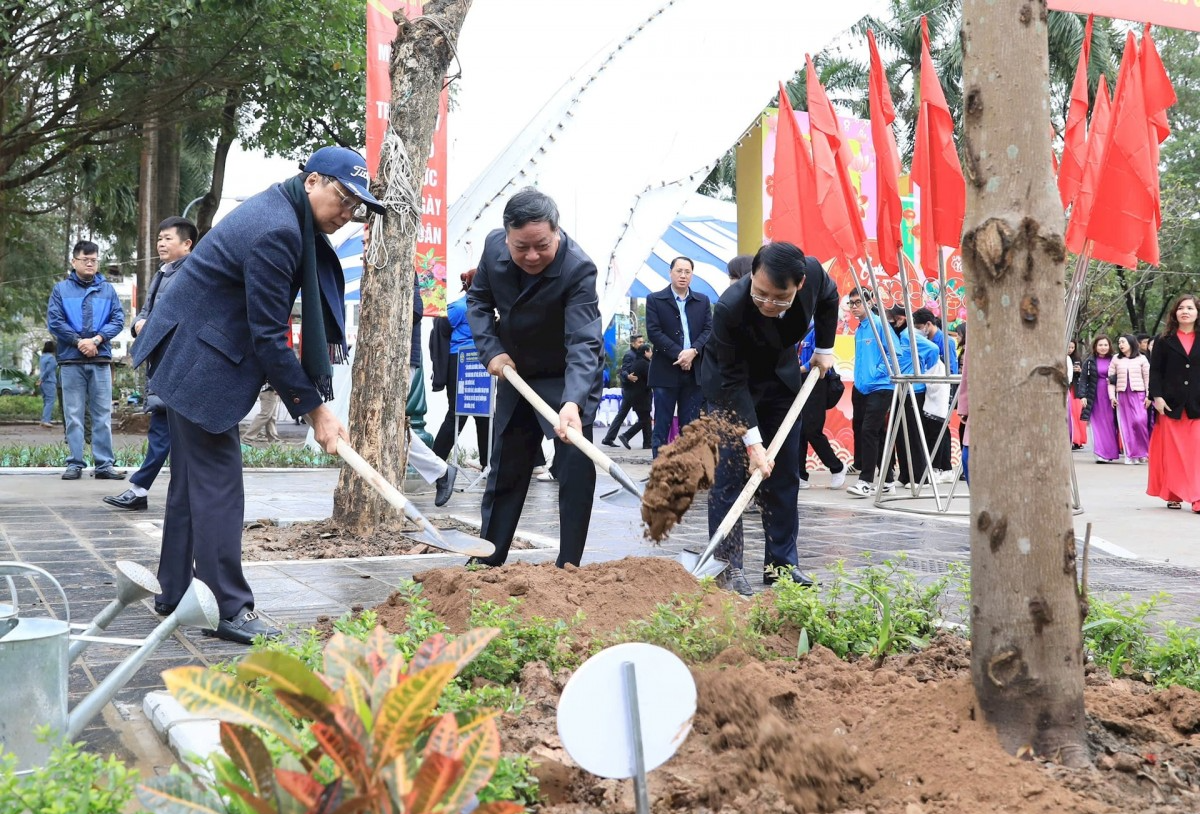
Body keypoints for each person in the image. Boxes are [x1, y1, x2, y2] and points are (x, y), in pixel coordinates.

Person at [131, 145, 377, 644]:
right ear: (311, 181)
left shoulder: (283, 212)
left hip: (191, 348)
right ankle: (228, 609)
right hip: (200, 361)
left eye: (356, 206)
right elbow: (269, 335)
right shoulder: (278, 230)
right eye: (343, 198)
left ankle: (174, 592)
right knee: (219, 484)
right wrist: (315, 410)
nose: (347, 213)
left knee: (190, 484)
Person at [466, 187, 603, 567]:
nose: (531, 256)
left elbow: (583, 342)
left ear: (557, 232)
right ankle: (487, 559)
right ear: (506, 236)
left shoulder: (578, 268)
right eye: (520, 247)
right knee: (506, 466)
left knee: (574, 468)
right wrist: (492, 351)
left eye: (541, 245)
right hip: (517, 372)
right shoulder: (494, 250)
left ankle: (569, 566)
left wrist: (573, 402)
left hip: (566, 376)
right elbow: (477, 302)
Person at [702, 242, 838, 596]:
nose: (768, 303)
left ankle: (782, 565)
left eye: (780, 297)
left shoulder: (814, 275)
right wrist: (752, 442)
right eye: (761, 293)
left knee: (783, 476)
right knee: (730, 479)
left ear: (799, 285)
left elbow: (830, 298)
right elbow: (731, 380)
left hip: (780, 382)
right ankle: (727, 568)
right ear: (752, 277)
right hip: (730, 388)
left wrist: (824, 349)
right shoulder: (729, 307)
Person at [105, 217, 197, 511]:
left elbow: (186, 318)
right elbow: (145, 312)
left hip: (180, 366)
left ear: (187, 244)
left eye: (168, 238)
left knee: (176, 433)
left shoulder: (195, 275)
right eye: (159, 238)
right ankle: (142, 491)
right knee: (163, 430)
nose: (161, 243)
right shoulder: (162, 274)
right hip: (161, 363)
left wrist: (153, 325)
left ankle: (146, 491)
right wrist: (139, 324)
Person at [47, 240, 126, 481]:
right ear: (74, 262)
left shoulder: (108, 290)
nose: (90, 263)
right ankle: (74, 463)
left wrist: (97, 339)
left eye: (94, 259)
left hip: (100, 359)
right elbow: (55, 321)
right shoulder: (61, 290)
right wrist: (79, 342)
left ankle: (103, 465)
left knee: (102, 414)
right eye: (85, 259)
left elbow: (118, 319)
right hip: (71, 361)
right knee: (73, 414)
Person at [645, 256, 712, 457]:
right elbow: (654, 332)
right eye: (679, 271)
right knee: (662, 424)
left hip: (694, 372)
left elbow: (709, 329)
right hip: (665, 372)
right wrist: (680, 354)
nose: (683, 275)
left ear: (692, 274)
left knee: (690, 426)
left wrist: (693, 352)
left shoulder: (702, 301)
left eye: (687, 272)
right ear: (670, 272)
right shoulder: (655, 299)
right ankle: (660, 470)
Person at [432, 268, 490, 468]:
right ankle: (434, 462)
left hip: (480, 365)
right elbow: (440, 331)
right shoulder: (459, 308)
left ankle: (487, 463)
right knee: (457, 413)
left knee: (484, 415)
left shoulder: (485, 307)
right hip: (460, 364)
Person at [1148, 293, 1200, 512]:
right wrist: (1156, 397)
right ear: (1174, 313)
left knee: (1196, 453)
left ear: (1197, 313)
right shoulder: (1163, 340)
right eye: (1180, 308)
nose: (1185, 311)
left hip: (1197, 403)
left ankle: (1197, 496)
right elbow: (1155, 371)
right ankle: (1174, 493)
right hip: (1170, 404)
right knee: (1173, 452)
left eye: (1189, 308)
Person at [845, 290, 896, 497]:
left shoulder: (879, 324)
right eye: (851, 303)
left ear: (870, 302)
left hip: (881, 386)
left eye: (859, 302)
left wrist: (878, 373)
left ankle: (866, 481)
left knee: (868, 431)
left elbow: (895, 352)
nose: (855, 306)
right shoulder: (860, 329)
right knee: (877, 434)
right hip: (862, 388)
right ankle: (888, 481)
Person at [886, 304, 941, 487]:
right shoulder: (898, 337)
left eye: (893, 320)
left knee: (913, 434)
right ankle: (906, 474)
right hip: (900, 389)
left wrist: (923, 373)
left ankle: (920, 476)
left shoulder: (910, 336)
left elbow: (933, 350)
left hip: (914, 391)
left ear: (901, 320)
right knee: (900, 433)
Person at [911, 307, 958, 481]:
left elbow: (950, 369)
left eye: (919, 326)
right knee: (938, 429)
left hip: (943, 390)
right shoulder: (926, 340)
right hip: (930, 389)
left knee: (938, 429)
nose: (917, 330)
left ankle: (938, 467)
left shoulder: (945, 342)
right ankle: (945, 468)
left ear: (928, 324)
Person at [797, 325, 846, 490]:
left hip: (817, 381)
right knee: (799, 431)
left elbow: (819, 361)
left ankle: (837, 467)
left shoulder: (819, 329)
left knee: (812, 430)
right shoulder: (801, 328)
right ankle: (800, 475)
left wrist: (798, 369)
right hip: (800, 382)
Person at [601, 334, 652, 448]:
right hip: (630, 390)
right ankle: (623, 437)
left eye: (643, 342)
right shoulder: (630, 355)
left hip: (635, 390)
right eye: (639, 342)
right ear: (633, 343)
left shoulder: (640, 355)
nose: (642, 344)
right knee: (641, 417)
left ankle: (647, 442)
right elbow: (623, 370)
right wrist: (628, 376)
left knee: (640, 416)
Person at [1109, 334, 1151, 465]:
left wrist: (1149, 395)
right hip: (1122, 395)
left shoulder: (1142, 359)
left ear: (1131, 343)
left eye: (1123, 342)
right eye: (1119, 342)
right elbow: (1110, 380)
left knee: (1140, 422)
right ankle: (1131, 455)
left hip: (1139, 394)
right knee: (1126, 425)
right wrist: (1111, 396)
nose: (1121, 345)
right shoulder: (1116, 359)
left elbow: (1148, 378)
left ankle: (1143, 452)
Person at [1080, 335, 1120, 463]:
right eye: (1100, 345)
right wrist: (1083, 396)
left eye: (1105, 345)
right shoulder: (1090, 361)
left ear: (1110, 346)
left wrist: (1113, 380)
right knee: (1097, 424)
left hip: (1111, 395)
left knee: (1110, 423)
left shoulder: (1115, 359)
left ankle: (1110, 453)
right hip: (1095, 395)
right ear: (1095, 347)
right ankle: (1100, 453)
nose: (1103, 348)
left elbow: (1122, 375)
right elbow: (1083, 379)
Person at [1067, 339, 1088, 450]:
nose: (1070, 350)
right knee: (1071, 414)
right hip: (1068, 387)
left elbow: (1083, 377)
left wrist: (1080, 371)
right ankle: (1073, 439)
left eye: (1072, 347)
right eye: (1068, 347)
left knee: (1077, 414)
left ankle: (1078, 440)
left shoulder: (1077, 359)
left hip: (1075, 389)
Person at [35, 341, 57, 428]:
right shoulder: (51, 358)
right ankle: (46, 420)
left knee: (46, 401)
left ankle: (44, 419)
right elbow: (48, 370)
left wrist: (40, 380)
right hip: (49, 381)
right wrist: (42, 379)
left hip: (43, 382)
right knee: (50, 401)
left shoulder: (42, 357)